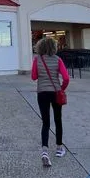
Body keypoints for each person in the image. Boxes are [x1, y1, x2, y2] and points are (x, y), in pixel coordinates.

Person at [31, 37, 70, 167]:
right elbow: (66, 78)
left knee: (45, 122)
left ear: (40, 47)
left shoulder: (37, 59)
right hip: (55, 92)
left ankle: (45, 151)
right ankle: (59, 148)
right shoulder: (58, 60)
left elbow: (33, 77)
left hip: (42, 93)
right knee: (58, 120)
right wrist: (61, 89)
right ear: (54, 47)